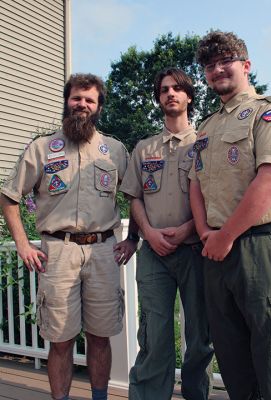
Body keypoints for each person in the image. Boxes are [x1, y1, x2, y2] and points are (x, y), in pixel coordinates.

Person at [189, 30, 271, 400]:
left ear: (245, 65)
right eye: (209, 66)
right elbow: (196, 185)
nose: (217, 70)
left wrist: (224, 236)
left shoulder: (269, 112)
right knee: (234, 363)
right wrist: (206, 233)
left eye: (225, 61)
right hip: (217, 255)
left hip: (265, 249)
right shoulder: (207, 127)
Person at [0, 73, 138, 400]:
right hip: (57, 253)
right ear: (67, 101)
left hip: (104, 251)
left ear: (99, 106)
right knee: (60, 340)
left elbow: (136, 197)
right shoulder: (42, 148)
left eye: (89, 100)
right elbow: (9, 197)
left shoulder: (114, 150)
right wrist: (22, 243)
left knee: (101, 337)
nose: (82, 105)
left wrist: (132, 237)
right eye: (77, 98)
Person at [120, 67, 213, 400]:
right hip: (154, 255)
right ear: (158, 98)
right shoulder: (144, 148)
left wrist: (189, 228)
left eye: (177, 89)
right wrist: (147, 234)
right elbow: (134, 197)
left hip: (196, 252)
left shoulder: (206, 141)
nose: (170, 94)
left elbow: (213, 196)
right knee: (154, 333)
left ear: (189, 96)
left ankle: (196, 395)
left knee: (200, 334)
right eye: (163, 90)